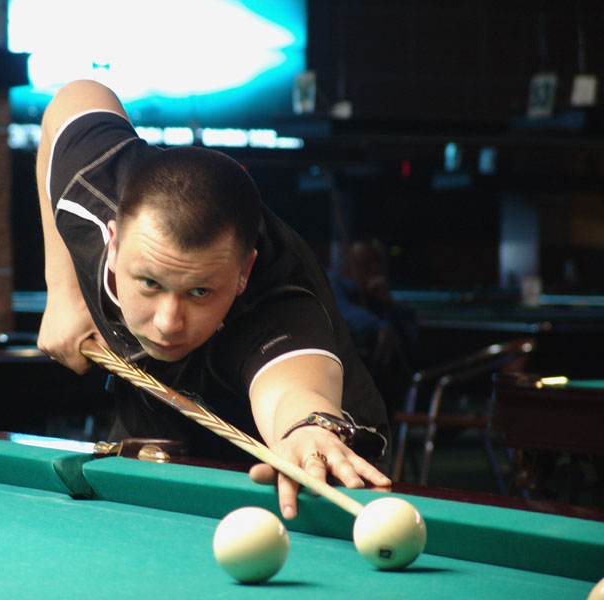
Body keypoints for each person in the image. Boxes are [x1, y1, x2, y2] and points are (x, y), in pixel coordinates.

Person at [36, 80, 391, 520]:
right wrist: (63, 290)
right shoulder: (92, 188)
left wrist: (306, 428)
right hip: (155, 419)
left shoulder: (277, 301)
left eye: (199, 292)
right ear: (113, 242)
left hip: (303, 465)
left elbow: (293, 391)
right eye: (149, 283)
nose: (168, 322)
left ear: (243, 273)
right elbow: (74, 98)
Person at [332, 238, 418, 420]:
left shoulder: (392, 305)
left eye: (377, 262)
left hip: (390, 388)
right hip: (348, 388)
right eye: (365, 263)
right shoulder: (337, 292)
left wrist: (387, 305)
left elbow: (410, 345)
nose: (374, 268)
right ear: (348, 269)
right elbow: (343, 313)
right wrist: (380, 326)